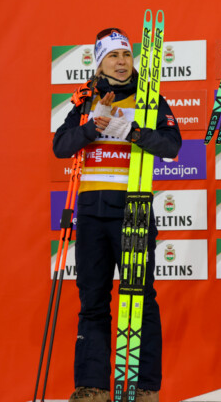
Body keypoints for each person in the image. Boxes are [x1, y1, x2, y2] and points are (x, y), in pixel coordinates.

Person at [53, 28, 182, 402]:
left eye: (126, 54)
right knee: (93, 301)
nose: (122, 62)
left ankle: (145, 388)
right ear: (100, 62)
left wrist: (134, 131)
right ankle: (91, 387)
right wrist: (92, 126)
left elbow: (172, 146)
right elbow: (61, 147)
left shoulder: (149, 99)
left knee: (141, 298)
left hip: (134, 210)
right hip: (92, 213)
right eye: (113, 56)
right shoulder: (85, 101)